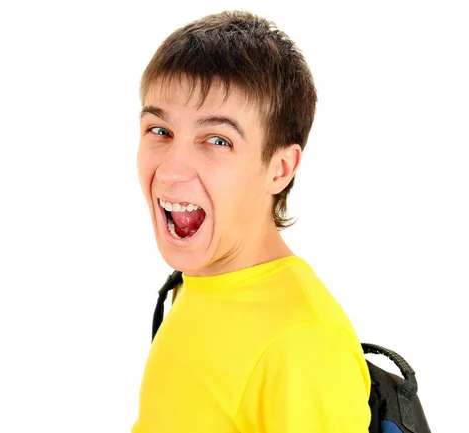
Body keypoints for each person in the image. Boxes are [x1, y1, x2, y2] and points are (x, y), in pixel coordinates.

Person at [133, 10, 370, 433]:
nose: (170, 171)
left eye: (218, 140)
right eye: (160, 130)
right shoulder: (196, 279)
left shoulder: (303, 342)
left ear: (279, 169)